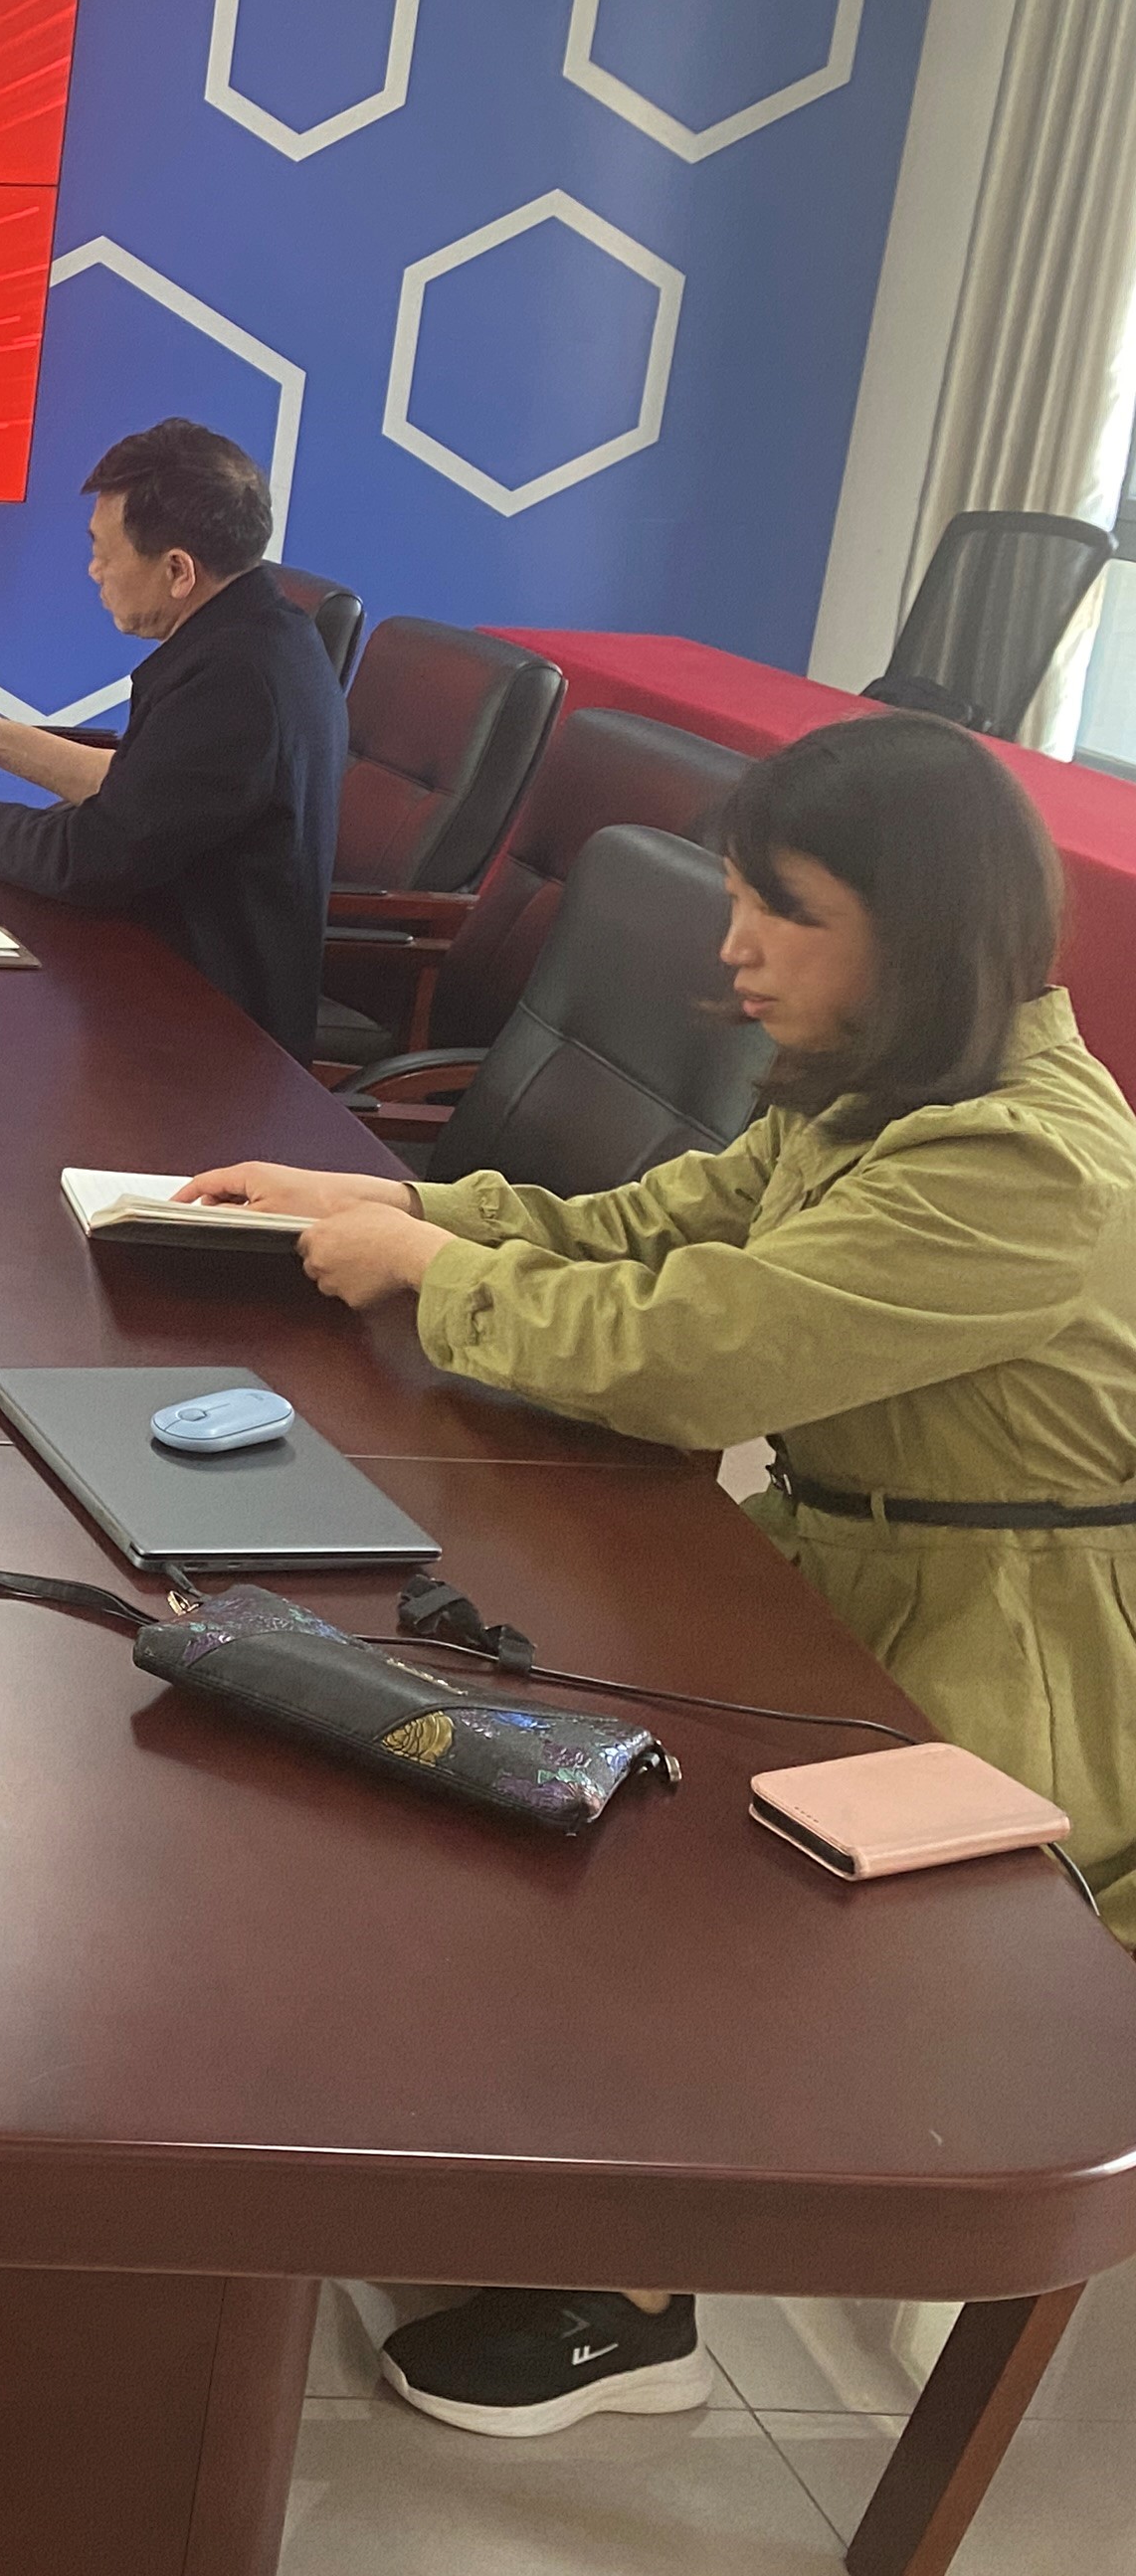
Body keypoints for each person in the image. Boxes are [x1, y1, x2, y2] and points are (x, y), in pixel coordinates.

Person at [178, 710, 1136, 2437]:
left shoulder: (1018, 1158)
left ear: (922, 930)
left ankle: (634, 2302)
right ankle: (578, 2171)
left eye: (785, 910)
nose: (734, 944)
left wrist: (429, 1275)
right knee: (537, 1752)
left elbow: (701, 1352)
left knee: (679, 1894)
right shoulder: (890, 1076)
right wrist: (403, 1205)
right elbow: (660, 1225)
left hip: (1001, 1644)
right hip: (847, 1558)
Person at [0, 421, 343, 1059]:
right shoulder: (259, 629)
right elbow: (152, 790)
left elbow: (95, 857)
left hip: (207, 1035)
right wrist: (4, 742)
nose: (94, 571)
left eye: (105, 552)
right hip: (157, 971)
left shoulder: (235, 684)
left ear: (177, 570)